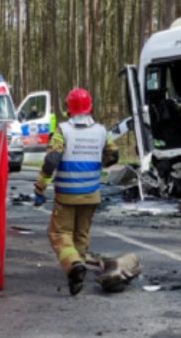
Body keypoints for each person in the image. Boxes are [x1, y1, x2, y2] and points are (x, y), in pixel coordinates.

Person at [33, 87, 119, 295]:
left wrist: (40, 186)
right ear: (90, 107)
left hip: (67, 195)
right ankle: (77, 274)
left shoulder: (63, 131)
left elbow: (52, 160)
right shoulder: (101, 131)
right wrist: (99, 163)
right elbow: (113, 155)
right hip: (91, 195)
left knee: (59, 233)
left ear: (68, 109)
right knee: (80, 234)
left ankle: (74, 265)